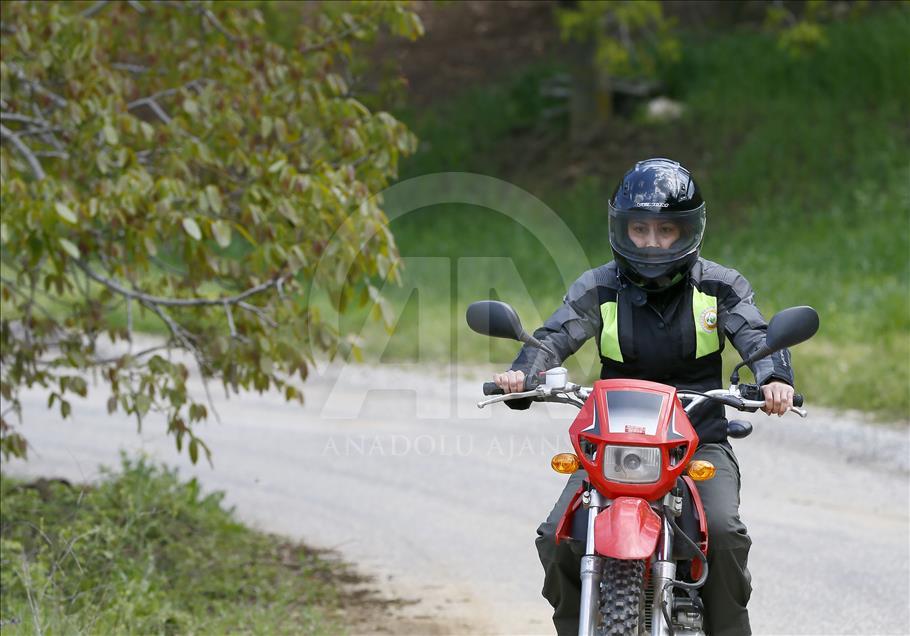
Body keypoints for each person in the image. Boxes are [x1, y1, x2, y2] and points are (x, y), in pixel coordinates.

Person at [493, 158, 794, 636]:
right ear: (621, 229)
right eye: (640, 229)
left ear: (687, 231)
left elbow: (758, 337)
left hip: (698, 442)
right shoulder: (599, 287)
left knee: (723, 532)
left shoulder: (719, 286)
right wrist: (520, 374)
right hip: (611, 447)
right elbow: (553, 336)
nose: (651, 242)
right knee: (556, 536)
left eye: (664, 230)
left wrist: (775, 378)